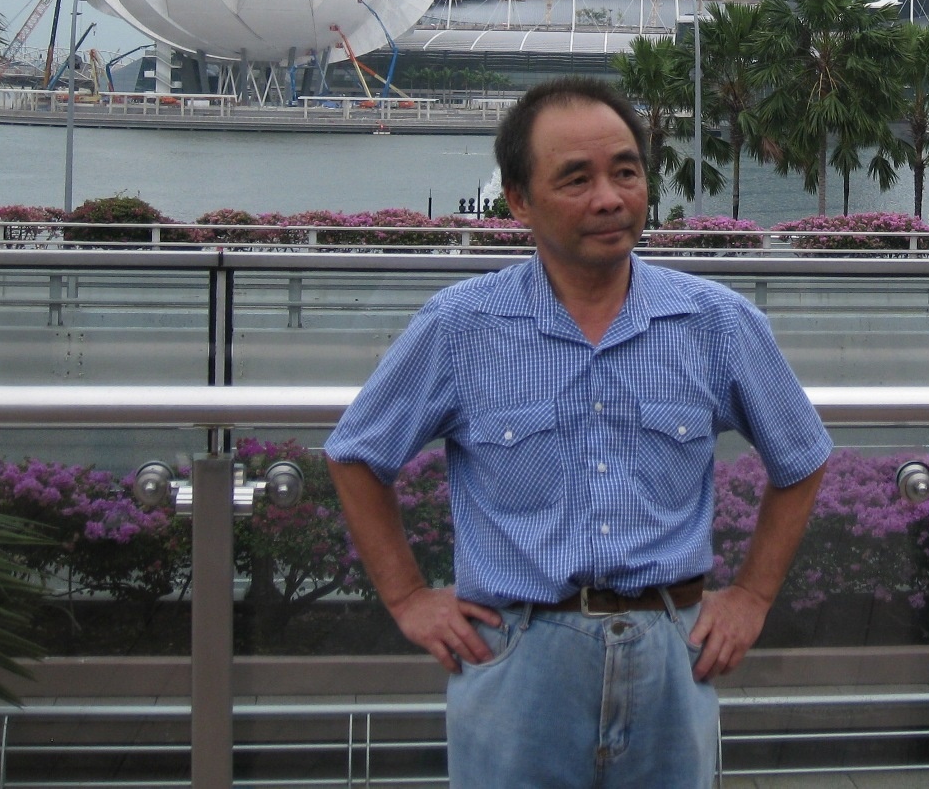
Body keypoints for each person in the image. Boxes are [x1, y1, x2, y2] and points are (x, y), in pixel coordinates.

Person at [325, 78, 831, 788]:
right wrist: (409, 598)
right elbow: (357, 455)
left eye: (626, 172)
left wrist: (750, 597)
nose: (609, 198)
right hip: (516, 660)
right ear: (518, 200)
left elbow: (801, 457)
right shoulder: (461, 327)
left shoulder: (714, 323)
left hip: (670, 655)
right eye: (576, 179)